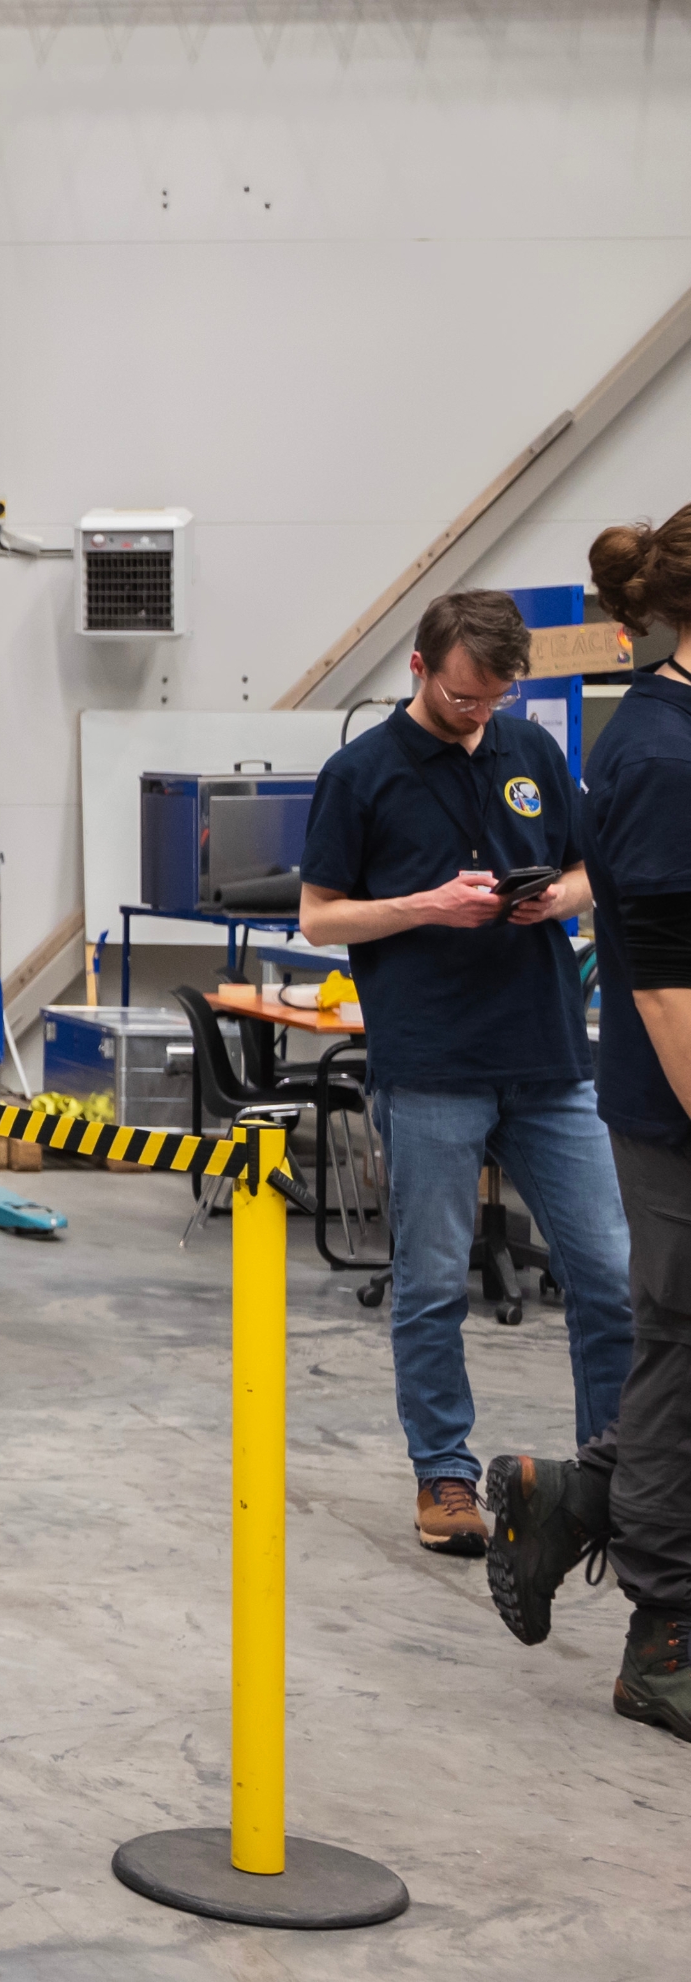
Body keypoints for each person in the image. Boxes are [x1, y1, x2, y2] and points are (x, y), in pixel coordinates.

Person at [300, 587, 633, 1558]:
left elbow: (584, 872)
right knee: (436, 1278)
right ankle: (444, 1472)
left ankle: (611, 1475)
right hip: (433, 1059)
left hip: (547, 1056)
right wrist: (427, 905)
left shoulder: (532, 753)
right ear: (419, 667)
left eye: (494, 697)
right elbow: (320, 915)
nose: (476, 715)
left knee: (610, 1275)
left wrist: (554, 901)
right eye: (459, 698)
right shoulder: (360, 773)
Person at [479, 518, 691, 1743]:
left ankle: (564, 1496)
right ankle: (666, 1639)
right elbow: (661, 975)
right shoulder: (659, 752)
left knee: (680, 1349)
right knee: (684, 1349)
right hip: (676, 1105)